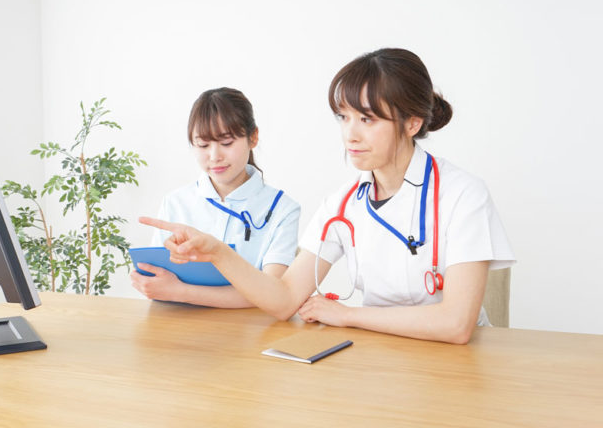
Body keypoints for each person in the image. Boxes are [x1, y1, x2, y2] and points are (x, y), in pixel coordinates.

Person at [141, 49, 515, 344]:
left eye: (366, 120)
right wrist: (218, 253)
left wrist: (349, 315)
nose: (350, 135)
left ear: (412, 123)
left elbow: (456, 324)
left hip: (458, 365)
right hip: (380, 354)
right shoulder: (343, 203)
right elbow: (284, 299)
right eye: (343, 117)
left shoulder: (463, 194)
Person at [131, 87, 300, 307]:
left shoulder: (282, 210)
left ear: (253, 137)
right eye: (203, 145)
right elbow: (157, 280)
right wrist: (147, 282)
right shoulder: (175, 203)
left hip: (250, 332)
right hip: (176, 327)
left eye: (227, 143)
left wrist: (180, 292)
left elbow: (272, 294)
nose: (214, 156)